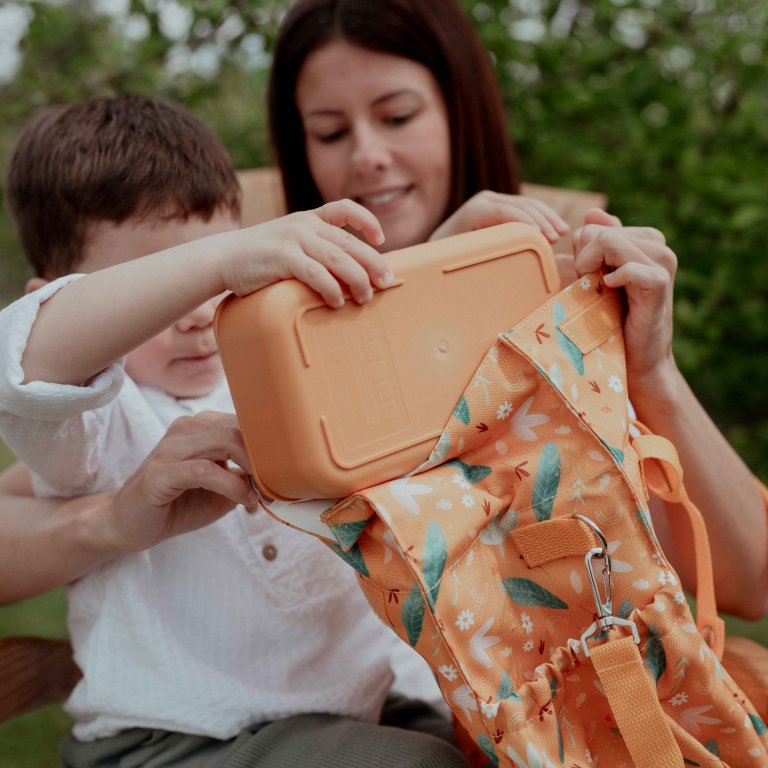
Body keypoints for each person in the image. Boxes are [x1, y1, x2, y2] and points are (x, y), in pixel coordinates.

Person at [0, 95, 468, 768]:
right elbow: (27, 356)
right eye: (159, 286)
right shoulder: (93, 417)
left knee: (512, 743)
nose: (195, 315)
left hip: (344, 712)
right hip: (176, 737)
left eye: (218, 269)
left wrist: (460, 249)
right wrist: (217, 264)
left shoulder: (280, 363)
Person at [266, 0, 768, 621]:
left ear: (460, 110)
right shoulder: (276, 342)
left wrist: (654, 373)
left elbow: (749, 581)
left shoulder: (550, 304)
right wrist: (431, 271)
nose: (366, 153)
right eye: (331, 132)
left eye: (398, 115)